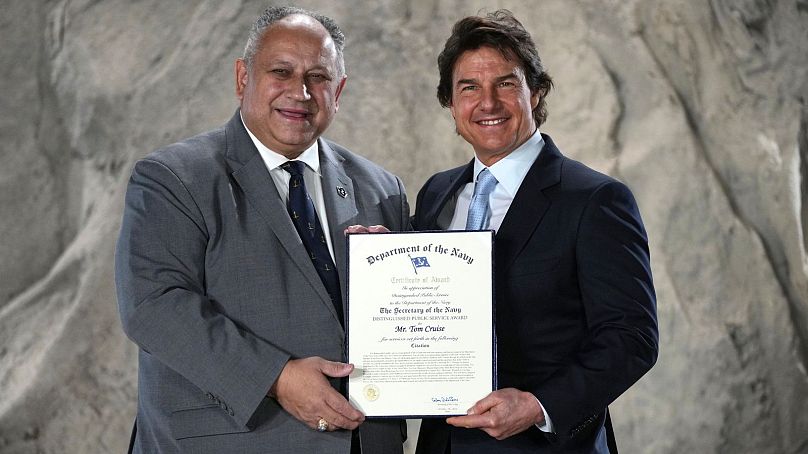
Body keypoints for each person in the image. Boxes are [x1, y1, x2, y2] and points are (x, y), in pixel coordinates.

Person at [115, 6, 408, 454]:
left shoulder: (381, 188)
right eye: (281, 72)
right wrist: (278, 378)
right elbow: (154, 306)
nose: (300, 92)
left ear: (339, 90)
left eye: (318, 77)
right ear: (242, 78)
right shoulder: (172, 178)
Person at [412, 10, 659, 454]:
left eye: (506, 83)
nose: (487, 102)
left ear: (536, 92)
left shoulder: (595, 199)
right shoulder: (436, 194)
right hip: (442, 444)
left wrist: (538, 405)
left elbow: (632, 337)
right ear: (450, 102)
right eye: (469, 87)